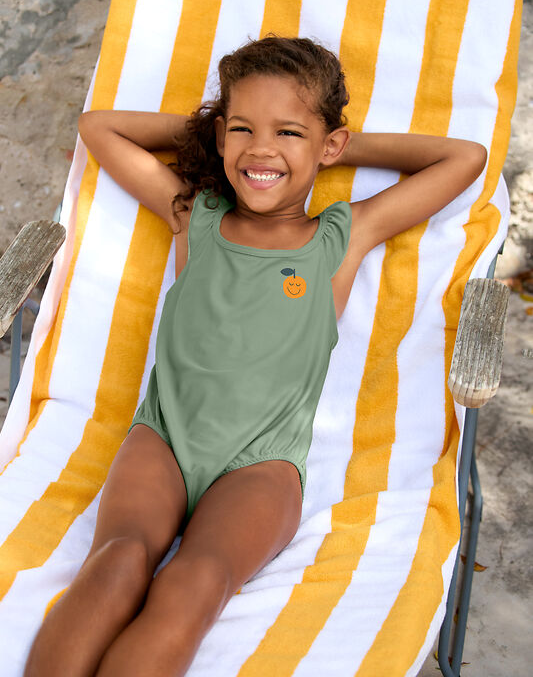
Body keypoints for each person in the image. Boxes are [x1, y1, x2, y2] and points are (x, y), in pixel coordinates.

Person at [24, 35, 486, 677]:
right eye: (242, 128)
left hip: (261, 466)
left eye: (288, 133)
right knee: (118, 561)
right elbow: (98, 127)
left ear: (331, 145)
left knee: (196, 579)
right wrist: (229, 135)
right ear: (220, 135)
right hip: (163, 439)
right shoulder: (194, 215)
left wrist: (325, 147)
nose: (262, 149)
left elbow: (465, 158)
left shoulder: (340, 238)